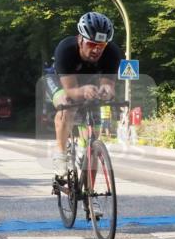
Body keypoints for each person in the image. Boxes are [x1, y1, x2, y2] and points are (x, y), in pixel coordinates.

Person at [46, 12, 122, 177]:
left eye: (101, 46)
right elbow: (71, 90)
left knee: (92, 137)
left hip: (90, 83)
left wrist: (106, 92)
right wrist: (83, 91)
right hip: (61, 82)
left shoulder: (112, 53)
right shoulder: (65, 50)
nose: (96, 50)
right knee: (67, 105)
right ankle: (60, 154)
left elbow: (108, 85)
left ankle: (88, 197)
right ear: (80, 39)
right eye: (92, 44)